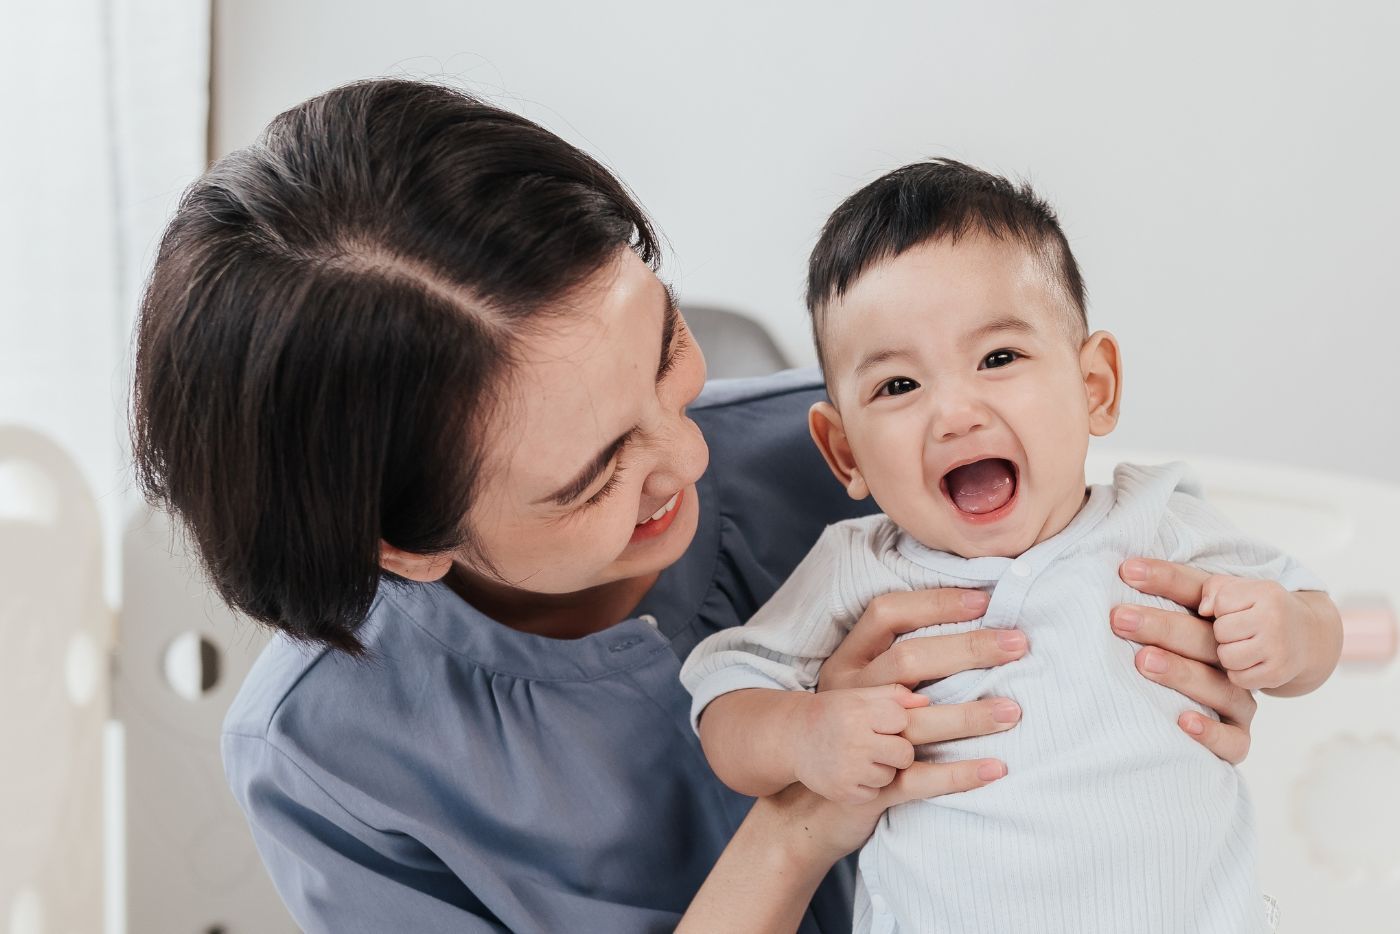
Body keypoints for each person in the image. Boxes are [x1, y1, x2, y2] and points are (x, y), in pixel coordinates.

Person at [127, 80, 1336, 934]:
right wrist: (798, 822)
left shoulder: (872, 448)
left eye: (666, 350)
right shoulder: (328, 761)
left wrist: (1200, 671)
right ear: (403, 542)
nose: (688, 455)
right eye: (595, 473)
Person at [681, 161, 1343, 933]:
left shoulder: (1160, 519)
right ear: (844, 452)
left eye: (998, 358)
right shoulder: (860, 566)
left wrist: (1289, 633)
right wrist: (803, 735)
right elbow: (725, 703)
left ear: (1095, 387)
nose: (955, 414)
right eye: (898, 386)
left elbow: (1316, 621)